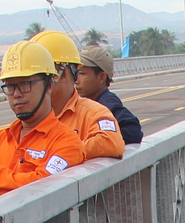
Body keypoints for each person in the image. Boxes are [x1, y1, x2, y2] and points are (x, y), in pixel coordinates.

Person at [0, 41, 87, 206]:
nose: (16, 94)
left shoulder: (67, 142)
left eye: (25, 84)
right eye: (10, 86)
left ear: (49, 84)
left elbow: (42, 188)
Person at [29, 31, 125, 161]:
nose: (30, 85)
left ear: (63, 74)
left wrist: (56, 154)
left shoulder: (93, 114)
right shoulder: (26, 121)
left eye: (39, 76)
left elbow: (110, 142)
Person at [76, 45, 142, 145]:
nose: (76, 80)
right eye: (74, 73)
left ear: (102, 77)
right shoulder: (83, 103)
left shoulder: (106, 103)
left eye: (82, 74)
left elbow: (133, 132)